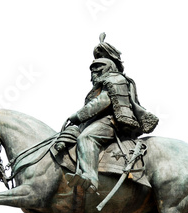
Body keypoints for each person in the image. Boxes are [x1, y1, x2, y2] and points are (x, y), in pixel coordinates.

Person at [65, 34, 158, 193]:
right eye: (93, 69)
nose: (93, 73)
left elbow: (102, 102)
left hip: (111, 122)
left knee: (86, 138)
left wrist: (77, 116)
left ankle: (89, 177)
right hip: (98, 121)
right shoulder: (107, 81)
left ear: (107, 67)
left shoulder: (114, 79)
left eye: (97, 69)